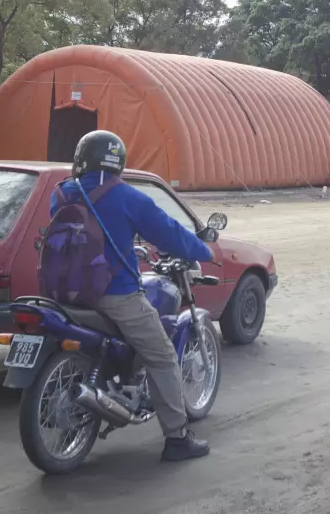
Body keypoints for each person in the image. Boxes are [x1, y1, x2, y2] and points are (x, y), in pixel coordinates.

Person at [52, 130, 214, 462]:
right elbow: (169, 232)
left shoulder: (63, 193)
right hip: (116, 295)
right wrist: (203, 250)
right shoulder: (127, 197)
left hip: (66, 292)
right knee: (162, 356)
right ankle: (177, 439)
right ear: (117, 161)